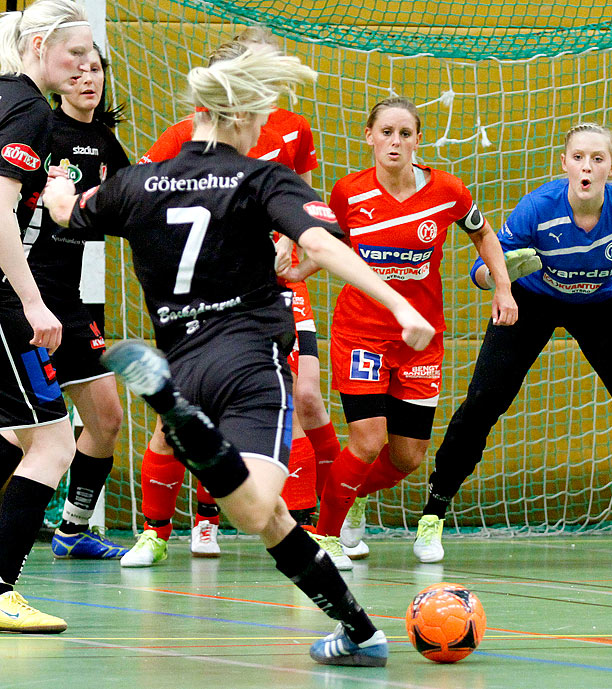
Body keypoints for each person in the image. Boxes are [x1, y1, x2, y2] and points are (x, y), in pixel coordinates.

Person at [41, 44, 434, 666]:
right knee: (256, 509)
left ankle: (361, 634)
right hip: (251, 361)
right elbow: (322, 246)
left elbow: (67, 212)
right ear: (244, 117)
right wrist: (401, 306)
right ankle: (169, 404)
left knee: (265, 514)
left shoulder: (139, 184)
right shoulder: (259, 178)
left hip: (185, 362)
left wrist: (59, 183)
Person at [409, 122, 612, 566]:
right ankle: (433, 515)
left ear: (611, 167)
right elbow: (485, 272)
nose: (587, 167)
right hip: (532, 301)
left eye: (597, 159)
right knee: (483, 401)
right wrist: (503, 273)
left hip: (604, 306)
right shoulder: (537, 207)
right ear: (565, 164)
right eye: (578, 158)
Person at [123, 29, 345, 567]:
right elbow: (151, 199)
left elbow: (301, 199)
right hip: (209, 292)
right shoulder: (184, 136)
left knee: (308, 395)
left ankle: (329, 522)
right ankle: (163, 528)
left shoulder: (291, 129)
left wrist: (297, 247)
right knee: (181, 413)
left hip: (277, 283)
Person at [287, 96, 517, 559]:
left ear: (417, 140)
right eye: (386, 132)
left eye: (405, 134)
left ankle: (347, 495)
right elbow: (334, 249)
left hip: (421, 338)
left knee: (408, 456)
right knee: (368, 440)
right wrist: (292, 271)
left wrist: (504, 288)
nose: (395, 141)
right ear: (368, 136)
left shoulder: (448, 190)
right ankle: (325, 536)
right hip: (361, 333)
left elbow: (483, 234)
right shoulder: (348, 193)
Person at [0, 0, 94, 633]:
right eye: (73, 53)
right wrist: (34, 302)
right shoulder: (30, 109)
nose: (85, 65)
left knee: (13, 435)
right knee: (56, 441)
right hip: (4, 299)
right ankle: (2, 590)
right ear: (36, 46)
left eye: (92, 56)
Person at [15, 43, 129, 560]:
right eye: (78, 67)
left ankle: (74, 528)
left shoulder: (104, 142)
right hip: (26, 294)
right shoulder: (40, 127)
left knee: (106, 418)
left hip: (72, 299)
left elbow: (128, 204)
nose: (89, 77)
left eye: (97, 68)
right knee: (28, 434)